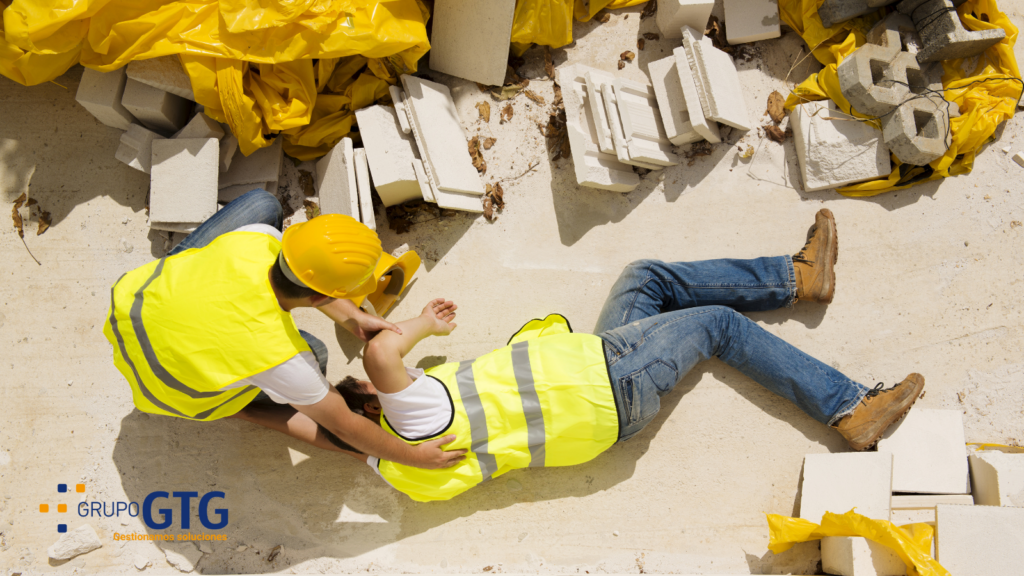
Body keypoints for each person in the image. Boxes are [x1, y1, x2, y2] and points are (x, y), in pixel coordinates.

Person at [332, 209, 926, 501]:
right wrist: (421, 325)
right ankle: (850, 408)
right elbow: (384, 353)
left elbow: (323, 426)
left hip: (600, 394)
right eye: (364, 388)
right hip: (608, 379)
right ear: (374, 407)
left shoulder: (402, 473)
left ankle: (800, 278)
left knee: (645, 279)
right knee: (719, 325)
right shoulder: (415, 419)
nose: (383, 379)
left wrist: (331, 419)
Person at [103, 187, 466, 470]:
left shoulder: (257, 239)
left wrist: (351, 316)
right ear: (324, 295)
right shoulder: (284, 358)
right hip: (169, 390)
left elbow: (305, 280)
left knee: (263, 204)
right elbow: (343, 427)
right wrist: (414, 456)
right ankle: (233, 405)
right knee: (318, 356)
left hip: (132, 307)